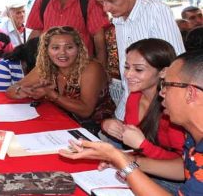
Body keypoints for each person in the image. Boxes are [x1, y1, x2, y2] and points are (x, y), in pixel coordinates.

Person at [59, 50, 203, 195]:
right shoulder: (193, 134)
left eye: (167, 85)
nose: (161, 92)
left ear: (191, 93)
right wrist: (126, 159)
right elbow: (184, 167)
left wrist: (122, 162)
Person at [94, 0, 185, 121]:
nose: (106, 8)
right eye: (101, 2)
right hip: (128, 105)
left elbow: (175, 64)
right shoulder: (118, 19)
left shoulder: (155, 11)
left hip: (155, 110)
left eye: (111, 1)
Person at [6, 26, 115, 135]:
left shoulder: (91, 68)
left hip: (95, 130)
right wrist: (23, 91)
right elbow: (12, 89)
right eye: (55, 48)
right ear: (46, 50)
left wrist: (51, 94)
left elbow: (86, 110)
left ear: (78, 48)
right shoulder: (45, 67)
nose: (62, 53)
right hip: (59, 126)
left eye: (69, 47)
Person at [101, 39, 184, 161]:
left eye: (138, 69)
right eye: (127, 67)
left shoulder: (173, 107)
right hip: (140, 160)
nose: (128, 75)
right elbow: (131, 135)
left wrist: (142, 146)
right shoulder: (135, 96)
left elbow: (183, 163)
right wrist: (107, 125)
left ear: (163, 72)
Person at [26, 0, 109, 66]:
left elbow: (99, 37)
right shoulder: (42, 0)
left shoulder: (90, 0)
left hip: (81, 67)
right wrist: (28, 58)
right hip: (49, 66)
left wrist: (101, 67)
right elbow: (36, 32)